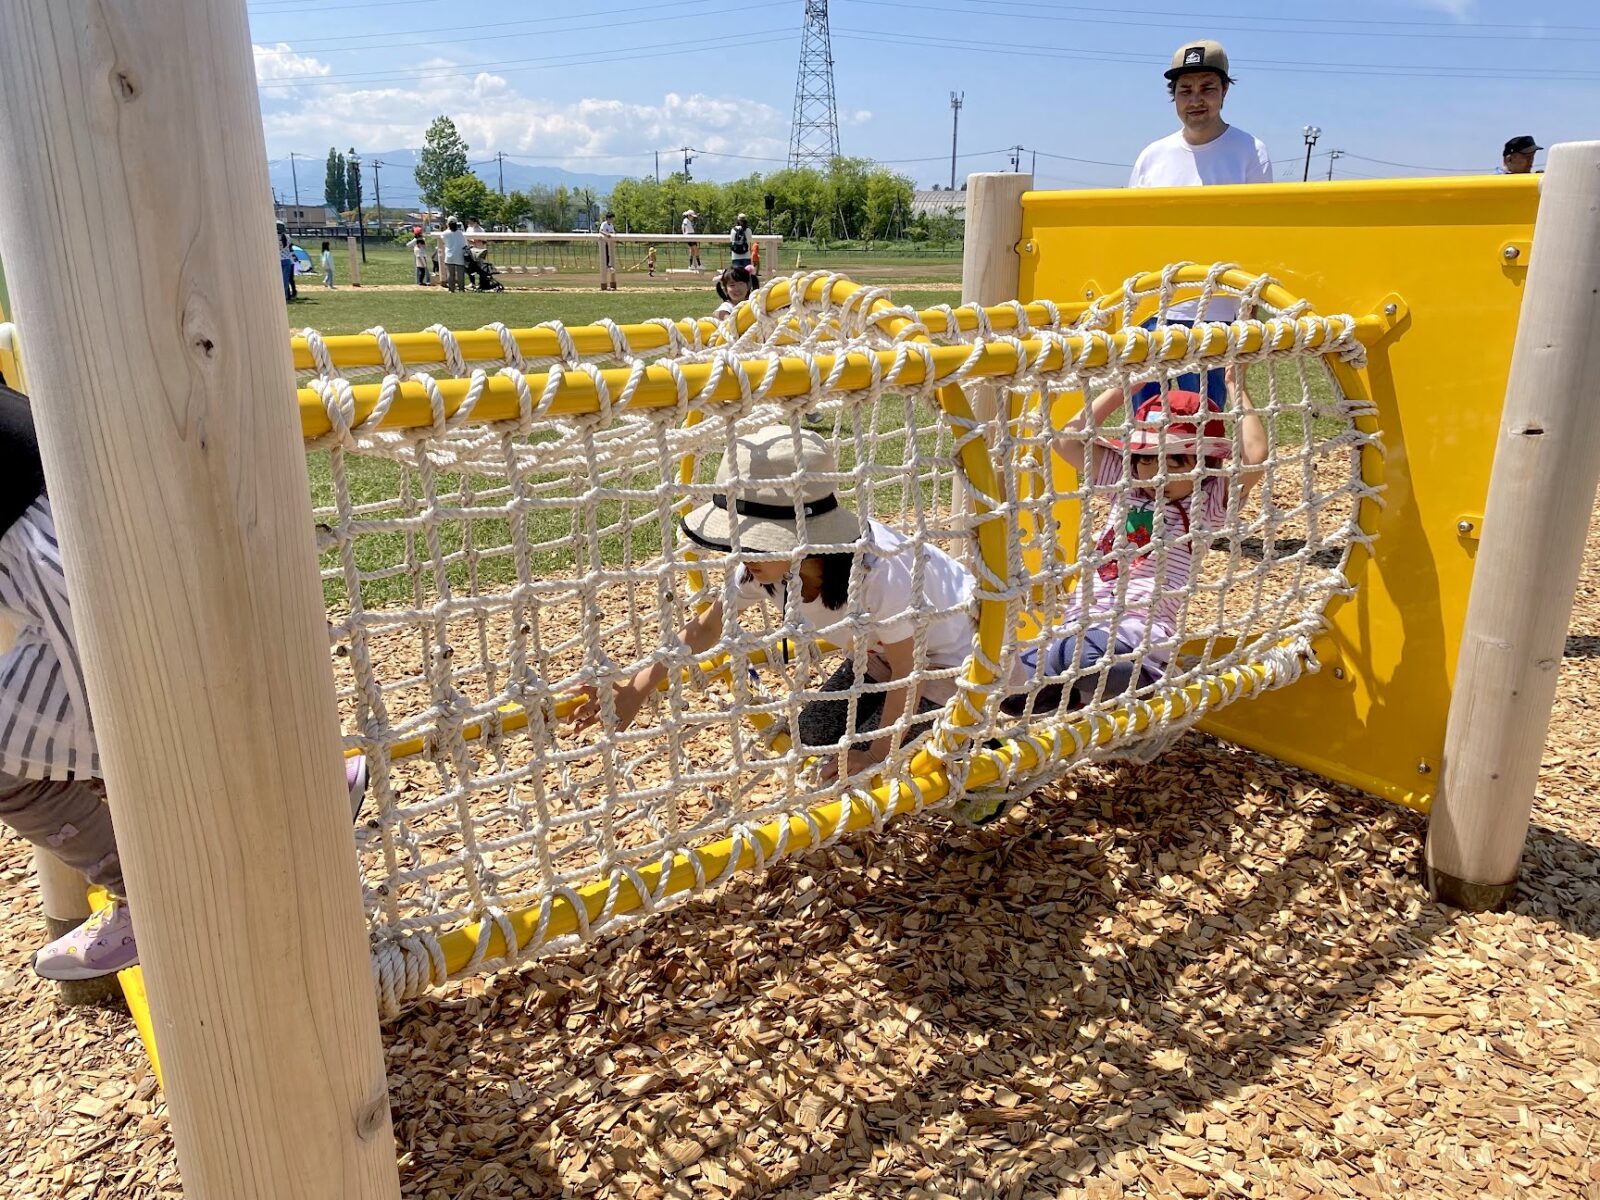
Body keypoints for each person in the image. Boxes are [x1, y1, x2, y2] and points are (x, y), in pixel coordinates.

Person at [0, 385, 372, 982]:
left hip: (67, 571)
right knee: (135, 718)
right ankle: (306, 784)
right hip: (132, 521)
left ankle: (153, 898)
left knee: (66, 743)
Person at [563, 426, 978, 780]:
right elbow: (708, 627)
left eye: (757, 544)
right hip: (879, 658)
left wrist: (875, 754)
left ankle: (981, 739)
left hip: (952, 663)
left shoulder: (876, 573)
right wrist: (637, 688)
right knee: (813, 736)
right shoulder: (763, 567)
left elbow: (911, 670)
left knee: (872, 769)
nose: (743, 556)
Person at [1005, 376, 1267, 716]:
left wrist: (1236, 384)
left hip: (1135, 636)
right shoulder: (1125, 483)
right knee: (1007, 690)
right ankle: (1073, 695)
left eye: (1175, 462)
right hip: (1080, 622)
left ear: (1203, 465)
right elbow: (1067, 438)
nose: (1156, 473)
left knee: (1078, 656)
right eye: (1147, 459)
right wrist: (1124, 386)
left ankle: (1142, 684)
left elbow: (1256, 455)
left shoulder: (1206, 502)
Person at [1128, 38, 1271, 398]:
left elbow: (1260, 234)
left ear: (1224, 91)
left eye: (1207, 88)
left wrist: (1248, 315)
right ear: (1173, 96)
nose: (1196, 99)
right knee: (1147, 427)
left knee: (1206, 426)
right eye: (1184, 90)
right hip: (1154, 311)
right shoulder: (1151, 156)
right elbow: (1132, 232)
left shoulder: (1249, 151)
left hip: (1218, 315)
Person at [440, 218, 468, 293]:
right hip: (459, 255)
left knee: (450, 274)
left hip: (449, 255)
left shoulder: (444, 233)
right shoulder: (460, 233)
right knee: (460, 274)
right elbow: (465, 243)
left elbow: (444, 241)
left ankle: (451, 289)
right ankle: (461, 289)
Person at [598, 211, 619, 292]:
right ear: (608, 218)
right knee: (606, 256)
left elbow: (613, 233)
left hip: (610, 244)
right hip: (604, 243)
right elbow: (600, 231)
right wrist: (607, 234)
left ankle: (609, 266)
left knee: (610, 256)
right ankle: (607, 267)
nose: (612, 220)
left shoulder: (611, 225)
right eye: (611, 219)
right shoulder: (604, 224)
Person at [277, 226, 296, 302]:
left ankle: (281, 296)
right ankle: (285, 296)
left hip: (279, 259)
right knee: (286, 280)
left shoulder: (274, 237)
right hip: (287, 260)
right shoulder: (287, 237)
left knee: (279, 280)